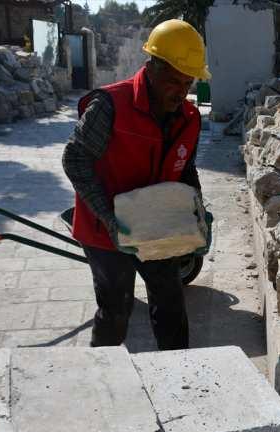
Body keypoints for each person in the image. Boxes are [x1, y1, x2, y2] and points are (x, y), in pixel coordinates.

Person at [62, 19, 211, 350]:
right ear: (152, 67)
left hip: (154, 224)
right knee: (116, 309)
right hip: (104, 230)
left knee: (171, 302)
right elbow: (75, 159)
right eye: (173, 81)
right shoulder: (110, 106)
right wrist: (110, 219)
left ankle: (179, 380)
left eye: (187, 82)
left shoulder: (189, 118)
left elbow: (185, 168)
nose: (181, 91)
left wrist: (197, 210)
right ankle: (105, 378)